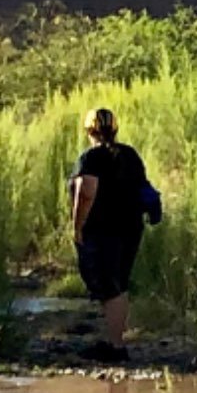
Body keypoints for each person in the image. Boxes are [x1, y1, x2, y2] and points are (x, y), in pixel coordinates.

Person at [67, 107, 154, 359]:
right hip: (131, 228)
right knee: (119, 284)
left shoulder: (91, 158)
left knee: (108, 285)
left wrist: (77, 226)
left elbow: (86, 192)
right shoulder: (130, 155)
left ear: (89, 131)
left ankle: (116, 346)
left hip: (102, 230)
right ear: (114, 129)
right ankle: (115, 340)